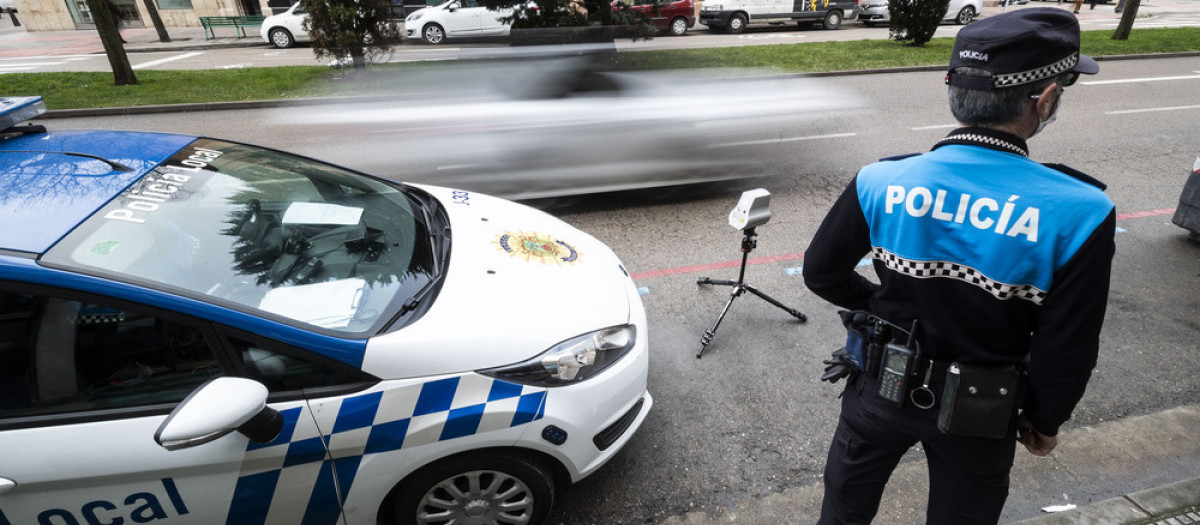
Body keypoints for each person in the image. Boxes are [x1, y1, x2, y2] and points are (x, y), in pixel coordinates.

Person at [803, 7, 1115, 525]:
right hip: (981, 412)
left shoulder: (879, 180)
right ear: (1044, 98)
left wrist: (881, 308)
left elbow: (821, 272)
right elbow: (1069, 341)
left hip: (878, 392)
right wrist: (1045, 417)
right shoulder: (1080, 210)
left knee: (842, 513)